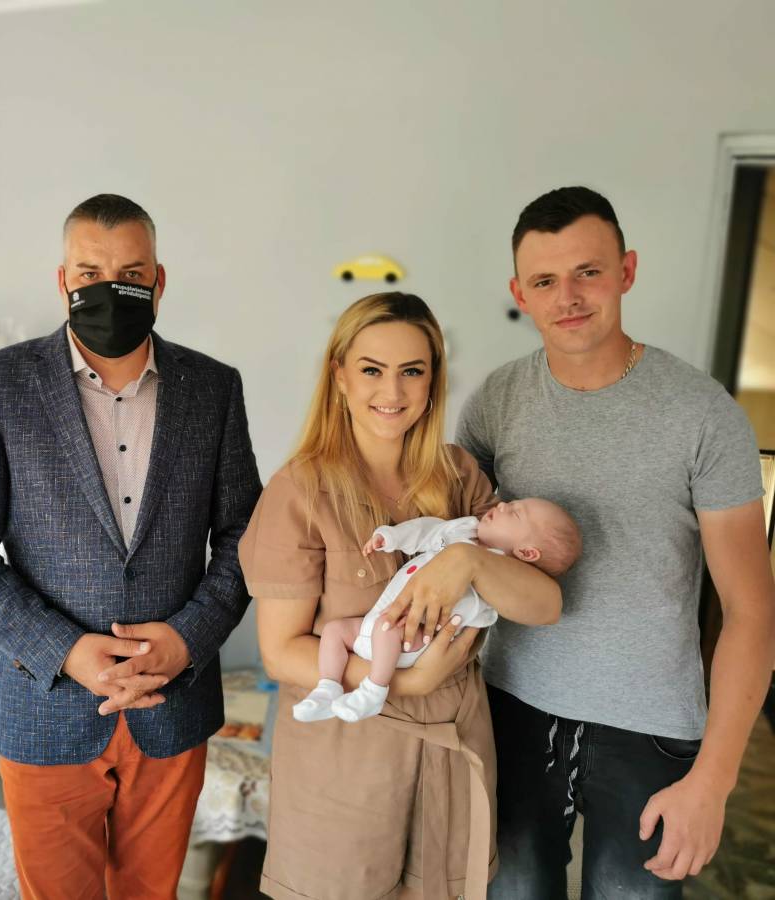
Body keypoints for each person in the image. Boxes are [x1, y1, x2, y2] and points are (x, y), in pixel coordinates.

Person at [0, 193, 261, 900]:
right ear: (64, 281)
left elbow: (244, 536)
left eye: (131, 274)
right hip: (44, 705)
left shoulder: (214, 389)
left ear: (159, 282)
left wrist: (188, 640)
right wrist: (64, 649)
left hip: (172, 706)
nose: (110, 289)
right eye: (89, 273)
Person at [456, 186, 775, 897]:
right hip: (512, 706)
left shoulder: (703, 414)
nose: (567, 297)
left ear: (626, 271)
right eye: (545, 281)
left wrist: (715, 780)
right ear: (520, 293)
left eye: (588, 272)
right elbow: (451, 540)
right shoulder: (495, 402)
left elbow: (752, 611)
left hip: (650, 725)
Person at [240, 292, 562, 900]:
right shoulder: (299, 491)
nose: (392, 390)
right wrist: (408, 682)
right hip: (345, 766)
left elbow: (544, 606)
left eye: (412, 370)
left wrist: (468, 559)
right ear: (339, 375)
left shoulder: (458, 475)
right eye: (372, 369)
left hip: (450, 751)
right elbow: (282, 653)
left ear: (433, 380)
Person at [295, 498, 581, 723]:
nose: (503, 504)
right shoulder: (464, 529)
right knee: (335, 631)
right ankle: (327, 688)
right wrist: (392, 537)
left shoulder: (499, 575)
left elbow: (478, 615)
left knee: (386, 627)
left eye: (516, 513)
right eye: (512, 503)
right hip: (377, 624)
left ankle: (374, 690)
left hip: (413, 638)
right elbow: (428, 530)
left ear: (526, 553)